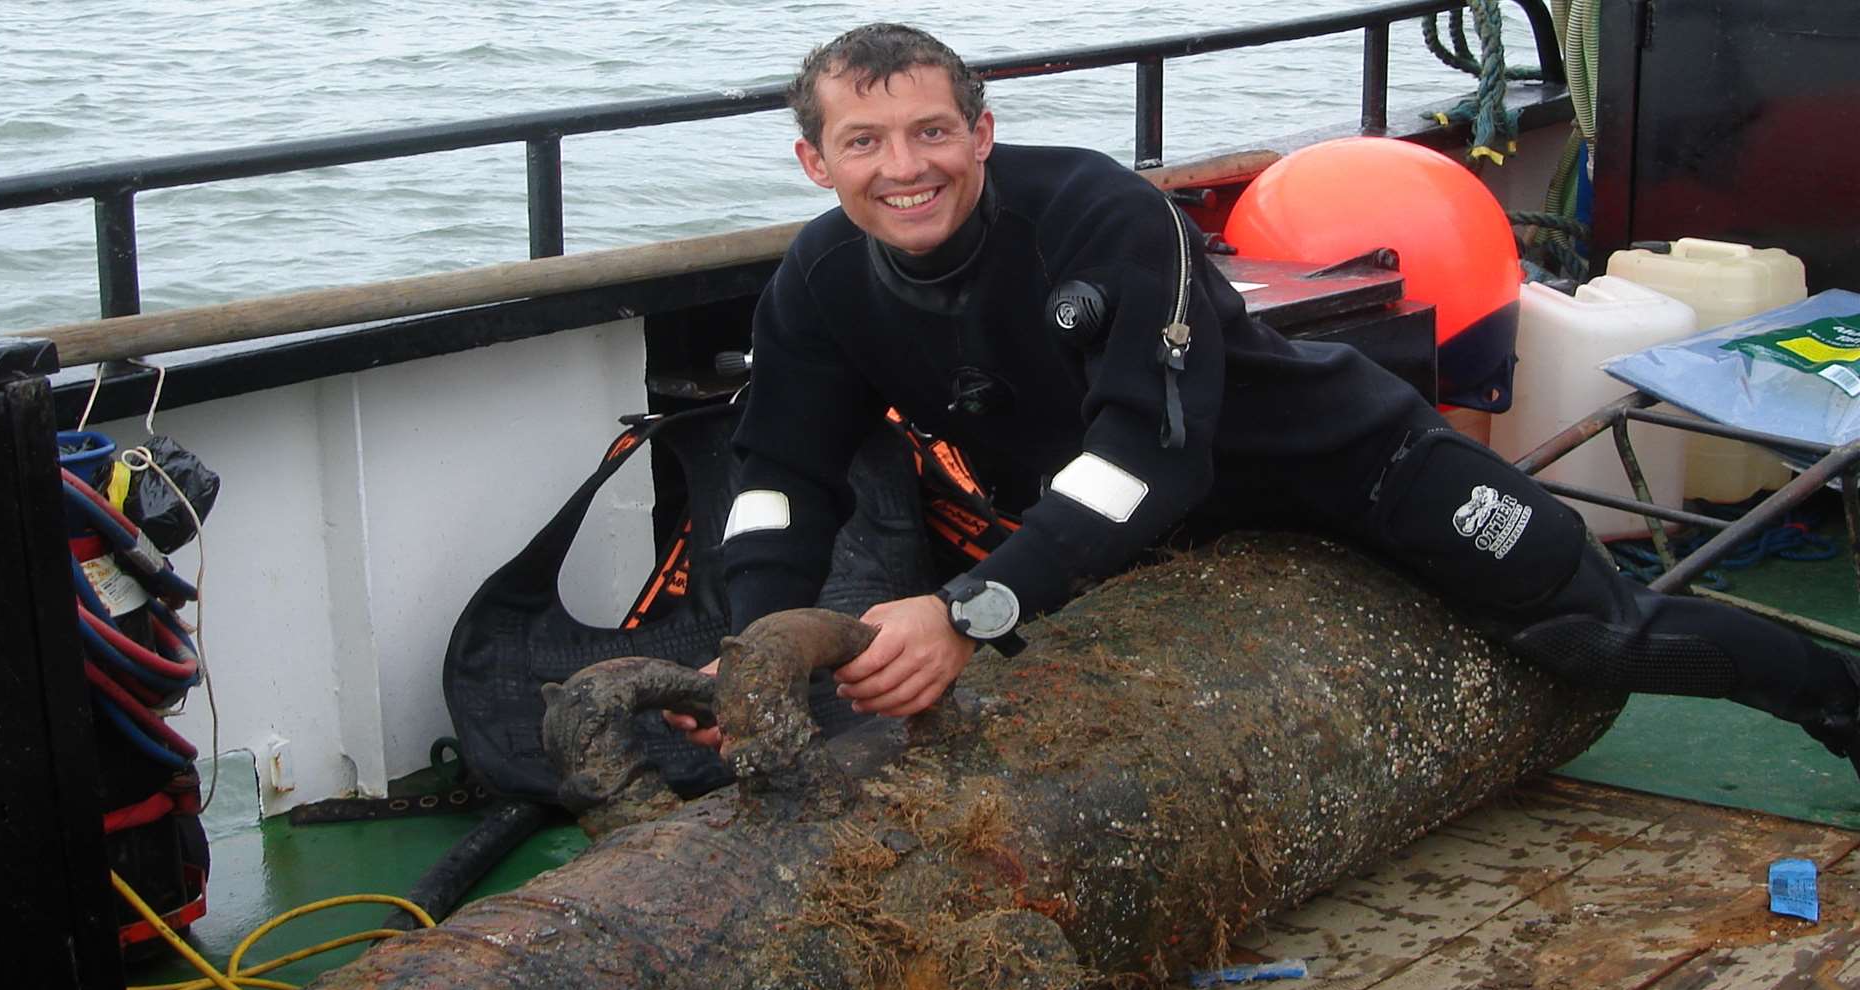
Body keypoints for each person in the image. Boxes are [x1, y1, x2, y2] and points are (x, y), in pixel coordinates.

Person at [669, 22, 1860, 772]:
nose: (905, 166)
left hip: (1351, 465)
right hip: (1161, 536)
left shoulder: (1100, 215)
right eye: (865, 143)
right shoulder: (819, 281)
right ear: (816, 164)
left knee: (1589, 632)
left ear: (983, 132)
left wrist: (970, 608)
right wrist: (758, 643)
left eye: (932, 130)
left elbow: (1148, 454)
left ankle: (1840, 702)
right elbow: (779, 476)